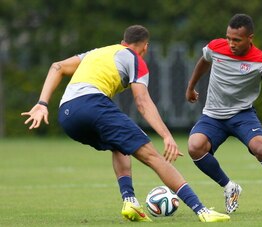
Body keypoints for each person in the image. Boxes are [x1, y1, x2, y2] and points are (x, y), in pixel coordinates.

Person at [21, 25, 230, 223]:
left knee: (119, 145)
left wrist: (42, 103)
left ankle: (129, 202)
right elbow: (142, 102)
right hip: (93, 104)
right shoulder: (135, 58)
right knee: (154, 157)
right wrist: (166, 135)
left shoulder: (96, 52)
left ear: (122, 41)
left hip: (67, 115)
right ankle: (201, 210)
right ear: (145, 47)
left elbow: (57, 66)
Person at [185, 14, 262, 215]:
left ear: (250, 38)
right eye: (229, 38)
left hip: (242, 115)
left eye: (237, 40)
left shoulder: (261, 60)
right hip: (213, 115)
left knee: (260, 148)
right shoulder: (216, 47)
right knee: (194, 147)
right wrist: (191, 87)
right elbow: (203, 61)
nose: (231, 43)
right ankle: (229, 186)